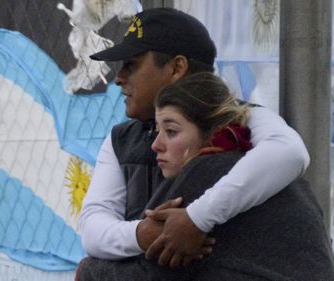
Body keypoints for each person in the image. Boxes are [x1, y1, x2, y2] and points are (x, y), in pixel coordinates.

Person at [78, 7, 310, 269]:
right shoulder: (121, 140)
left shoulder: (239, 118)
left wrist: (196, 219)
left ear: (177, 67)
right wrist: (145, 234)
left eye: (131, 64)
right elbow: (92, 227)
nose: (118, 78)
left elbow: (291, 153)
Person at [77, 72, 334, 280]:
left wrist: (88, 271)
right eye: (157, 131)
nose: (156, 144)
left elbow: (154, 275)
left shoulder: (206, 170)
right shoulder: (268, 171)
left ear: (211, 132)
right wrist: (142, 234)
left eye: (171, 131)